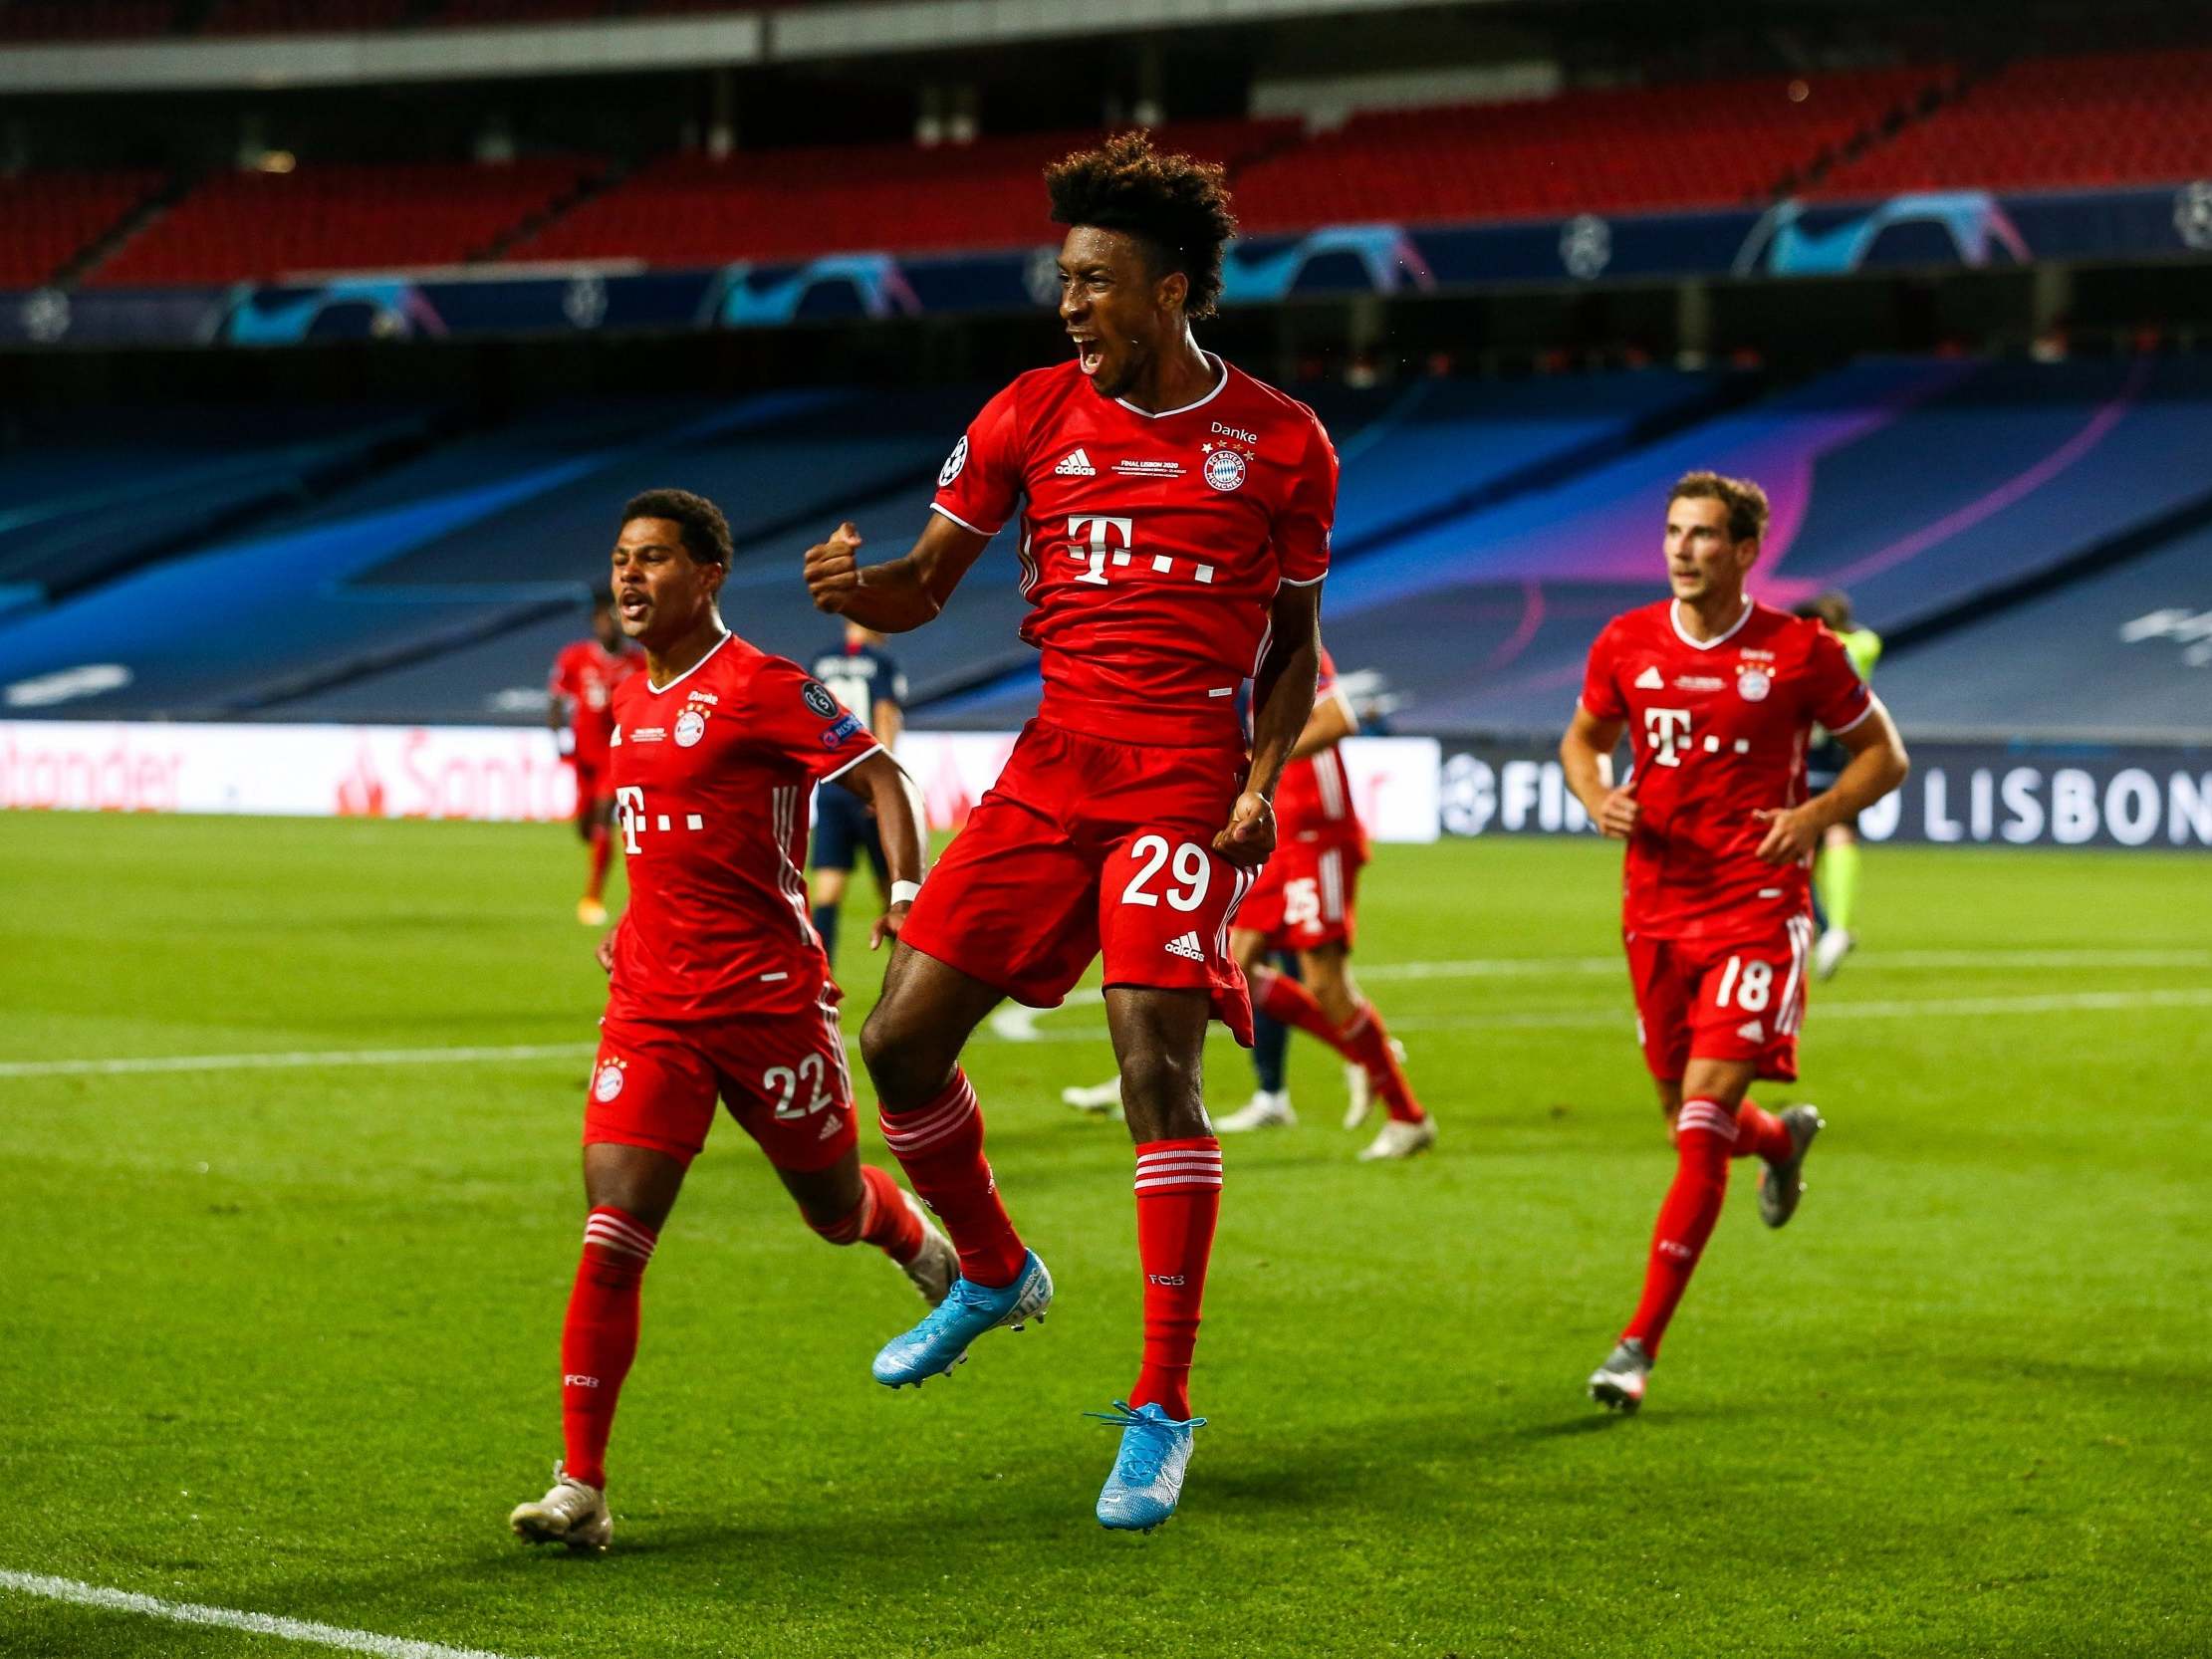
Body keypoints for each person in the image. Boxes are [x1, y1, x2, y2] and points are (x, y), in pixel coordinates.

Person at [801, 131, 1335, 1531]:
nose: (1069, 304)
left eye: (1094, 282)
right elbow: (926, 583)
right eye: (1063, 281)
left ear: (1169, 291)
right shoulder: (1027, 411)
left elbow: (1294, 645)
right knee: (898, 1042)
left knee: (1153, 1055)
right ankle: (992, 1269)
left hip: (1177, 779)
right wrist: (864, 585)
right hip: (1050, 770)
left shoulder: (1281, 439)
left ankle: (1161, 1407)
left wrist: (1260, 772)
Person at [511, 490, 954, 1554]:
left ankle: (917, 1244)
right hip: (653, 1011)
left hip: (767, 1005)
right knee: (612, 1233)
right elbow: (665, 840)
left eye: (654, 559)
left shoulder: (763, 686)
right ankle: (581, 1484)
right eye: (621, 558)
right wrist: (631, 921)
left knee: (833, 1205)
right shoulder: (628, 700)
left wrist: (903, 896)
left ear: (708, 574)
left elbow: (883, 776)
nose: (629, 577)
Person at [1560, 471, 1907, 1414]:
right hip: (1655, 909)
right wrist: (1597, 796)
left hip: (1756, 906)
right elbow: (1582, 740)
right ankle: (1779, 1144)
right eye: (1673, 532)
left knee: (1701, 1120)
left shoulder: (1800, 650)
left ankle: (1636, 1346)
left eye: (1703, 535)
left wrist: (1818, 812)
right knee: (1683, 1115)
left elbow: (1886, 754)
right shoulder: (1625, 641)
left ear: (1745, 550)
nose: (1681, 548)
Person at [1214, 645, 1434, 1160]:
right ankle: (1358, 1053)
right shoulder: (1244, 648)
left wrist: (1255, 763)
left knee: (1325, 982)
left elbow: (1338, 720)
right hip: (1283, 832)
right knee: (1231, 966)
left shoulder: (1294, 642)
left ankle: (1408, 1116)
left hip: (1317, 832)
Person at [1792, 592, 1883, 980]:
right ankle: (1836, 926)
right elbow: (1867, 639)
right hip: (1843, 757)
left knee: (1796, 851)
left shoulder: (1806, 649)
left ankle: (1826, 928)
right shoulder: (1862, 647)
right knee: (1839, 833)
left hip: (1799, 761)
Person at [809, 621, 910, 963]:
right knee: (894, 894)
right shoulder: (879, 662)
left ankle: (819, 979)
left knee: (827, 891)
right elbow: (884, 713)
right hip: (869, 785)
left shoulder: (820, 661)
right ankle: (907, 982)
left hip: (832, 784)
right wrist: (885, 782)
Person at [549, 591, 643, 925]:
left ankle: (592, 898)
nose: (610, 625)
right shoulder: (574, 658)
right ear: (594, 623)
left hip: (615, 758)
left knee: (605, 817)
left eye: (615, 618)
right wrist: (559, 741)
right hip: (582, 757)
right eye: (604, 619)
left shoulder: (639, 664)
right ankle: (594, 869)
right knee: (586, 828)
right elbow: (557, 704)